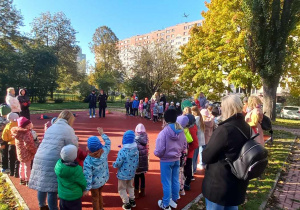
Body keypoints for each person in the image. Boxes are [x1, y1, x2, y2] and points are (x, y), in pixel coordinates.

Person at [202, 95, 251, 209]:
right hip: (238, 179)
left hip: (220, 182)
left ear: (227, 108)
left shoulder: (225, 129)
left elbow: (207, 156)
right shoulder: (246, 127)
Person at [29, 110, 78, 210]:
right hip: (53, 158)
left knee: (42, 184)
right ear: (70, 119)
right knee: (52, 188)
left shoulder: (52, 127)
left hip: (40, 156)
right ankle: (53, 208)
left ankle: (42, 205)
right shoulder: (68, 129)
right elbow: (72, 145)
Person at [154, 109, 187, 210]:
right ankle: (174, 199)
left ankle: (166, 203)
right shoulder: (181, 131)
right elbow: (184, 145)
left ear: (165, 119)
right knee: (175, 180)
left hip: (166, 160)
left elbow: (159, 149)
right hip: (176, 158)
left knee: (166, 182)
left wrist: (157, 154)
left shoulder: (163, 133)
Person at [83, 128, 111, 210]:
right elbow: (108, 142)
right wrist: (102, 134)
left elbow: (87, 175)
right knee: (99, 193)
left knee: (95, 198)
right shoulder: (104, 151)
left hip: (94, 184)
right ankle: (101, 208)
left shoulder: (88, 160)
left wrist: (87, 188)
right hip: (103, 179)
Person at [55, 145, 87, 210]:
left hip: (62, 195)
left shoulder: (58, 165)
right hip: (74, 196)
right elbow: (82, 182)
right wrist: (84, 189)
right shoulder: (77, 169)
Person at [113, 130, 139, 210]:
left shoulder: (122, 151)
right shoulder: (136, 150)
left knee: (122, 188)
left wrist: (114, 164)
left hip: (122, 174)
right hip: (131, 173)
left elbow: (119, 162)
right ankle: (132, 200)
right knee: (131, 186)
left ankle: (126, 203)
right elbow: (137, 161)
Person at [11, 117, 37, 186]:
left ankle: (22, 179)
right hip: (26, 153)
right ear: (27, 125)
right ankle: (28, 180)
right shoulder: (26, 133)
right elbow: (28, 144)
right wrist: (34, 151)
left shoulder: (17, 133)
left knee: (21, 165)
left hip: (20, 152)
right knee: (27, 167)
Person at [2, 112, 19, 177]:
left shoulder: (8, 126)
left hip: (11, 144)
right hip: (18, 144)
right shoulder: (19, 124)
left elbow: (4, 137)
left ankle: (11, 172)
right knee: (17, 159)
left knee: (11, 159)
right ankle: (16, 172)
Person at [184, 114, 199, 191]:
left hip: (188, 152)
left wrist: (187, 150)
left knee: (187, 168)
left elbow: (195, 144)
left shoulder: (191, 129)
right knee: (186, 167)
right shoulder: (191, 127)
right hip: (187, 152)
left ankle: (187, 182)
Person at [134, 124, 149, 198]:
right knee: (142, 176)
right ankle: (142, 191)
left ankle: (136, 192)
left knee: (136, 177)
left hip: (137, 161)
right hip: (144, 160)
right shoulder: (146, 137)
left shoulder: (135, 139)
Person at [176, 115, 189, 196]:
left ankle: (179, 189)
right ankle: (182, 189)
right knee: (181, 172)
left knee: (177, 174)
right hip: (183, 156)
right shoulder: (186, 131)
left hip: (179, 156)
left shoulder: (179, 133)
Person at [191, 106, 206, 172]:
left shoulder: (196, 118)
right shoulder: (200, 117)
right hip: (200, 138)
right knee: (196, 154)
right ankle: (194, 168)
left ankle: (193, 169)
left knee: (194, 155)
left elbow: (194, 128)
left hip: (197, 138)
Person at [0, 105, 11, 173]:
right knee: (5, 153)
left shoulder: (5, 120)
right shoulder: (5, 121)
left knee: (4, 152)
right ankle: (5, 167)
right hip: (4, 139)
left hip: (5, 139)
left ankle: (5, 165)